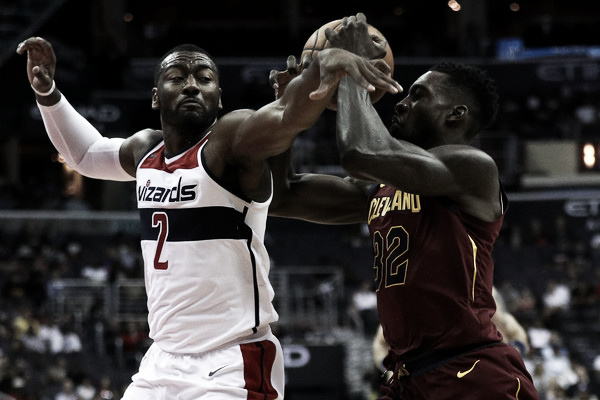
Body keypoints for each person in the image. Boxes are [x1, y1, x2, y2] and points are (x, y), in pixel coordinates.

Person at [17, 30, 399, 399]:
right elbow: (84, 154)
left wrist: (322, 68)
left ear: (219, 99)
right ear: (155, 97)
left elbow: (285, 116)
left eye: (204, 78)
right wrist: (47, 92)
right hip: (161, 361)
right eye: (176, 77)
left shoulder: (230, 143)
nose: (191, 85)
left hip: (231, 361)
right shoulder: (145, 152)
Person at [268, 13, 539, 400]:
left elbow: (360, 151)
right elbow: (282, 196)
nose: (401, 101)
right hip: (408, 378)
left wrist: (349, 69)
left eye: (418, 95)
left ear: (455, 114)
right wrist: (288, 113)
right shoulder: (381, 185)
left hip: (472, 372)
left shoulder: (472, 168)